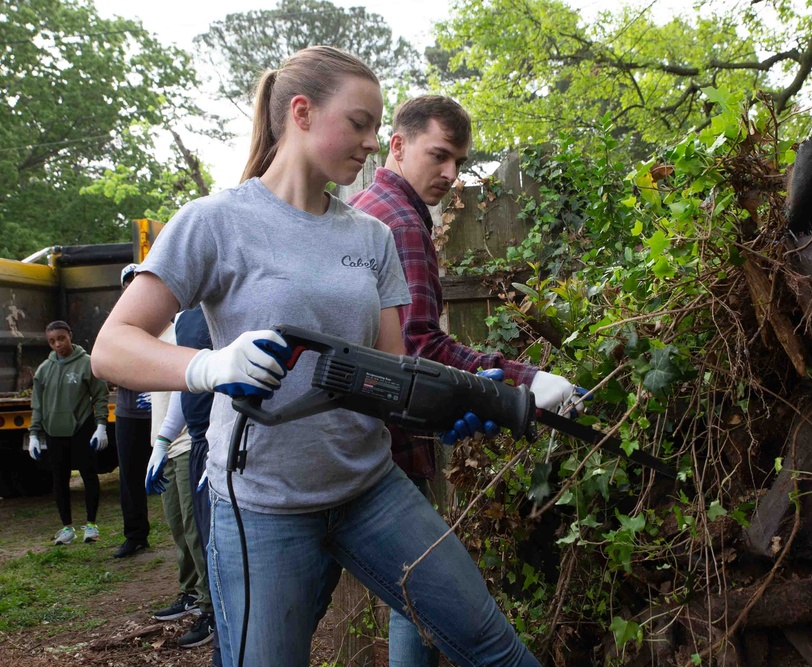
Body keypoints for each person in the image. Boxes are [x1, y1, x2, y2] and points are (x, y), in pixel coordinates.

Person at [91, 45, 542, 667]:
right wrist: (208, 367)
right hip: (262, 506)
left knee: (493, 648)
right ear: (300, 112)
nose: (372, 141)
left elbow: (392, 376)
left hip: (370, 488)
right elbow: (112, 347)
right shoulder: (216, 222)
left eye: (377, 127)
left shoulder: (371, 236)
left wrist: (452, 406)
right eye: (359, 123)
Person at [349, 95, 579, 666]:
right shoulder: (400, 222)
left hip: (360, 437)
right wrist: (526, 380)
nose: (451, 175)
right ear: (397, 146)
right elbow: (420, 347)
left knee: (410, 595)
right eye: (440, 155)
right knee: (420, 590)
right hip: (386, 452)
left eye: (459, 162)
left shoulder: (365, 206)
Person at [145, 322, 216, 649]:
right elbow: (177, 387)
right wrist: (161, 440)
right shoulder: (160, 333)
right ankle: (191, 591)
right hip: (170, 443)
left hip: (193, 442)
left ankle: (210, 607)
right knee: (178, 525)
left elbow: (194, 381)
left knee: (196, 527)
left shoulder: (191, 324)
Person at [29, 320, 109, 545]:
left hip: (81, 428)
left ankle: (91, 526)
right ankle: (66, 528)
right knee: (60, 480)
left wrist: (101, 425)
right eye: (52, 341)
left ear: (70, 335)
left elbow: (100, 395)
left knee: (88, 475)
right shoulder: (44, 369)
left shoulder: (86, 364)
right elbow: (37, 404)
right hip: (54, 432)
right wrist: (34, 433)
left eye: (61, 338)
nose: (58, 344)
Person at [113, 264, 154, 559]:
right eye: (127, 284)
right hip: (129, 412)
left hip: (162, 413)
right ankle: (135, 535)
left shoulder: (162, 317)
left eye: (136, 282)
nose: (132, 287)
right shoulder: (117, 323)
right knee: (129, 477)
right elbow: (107, 366)